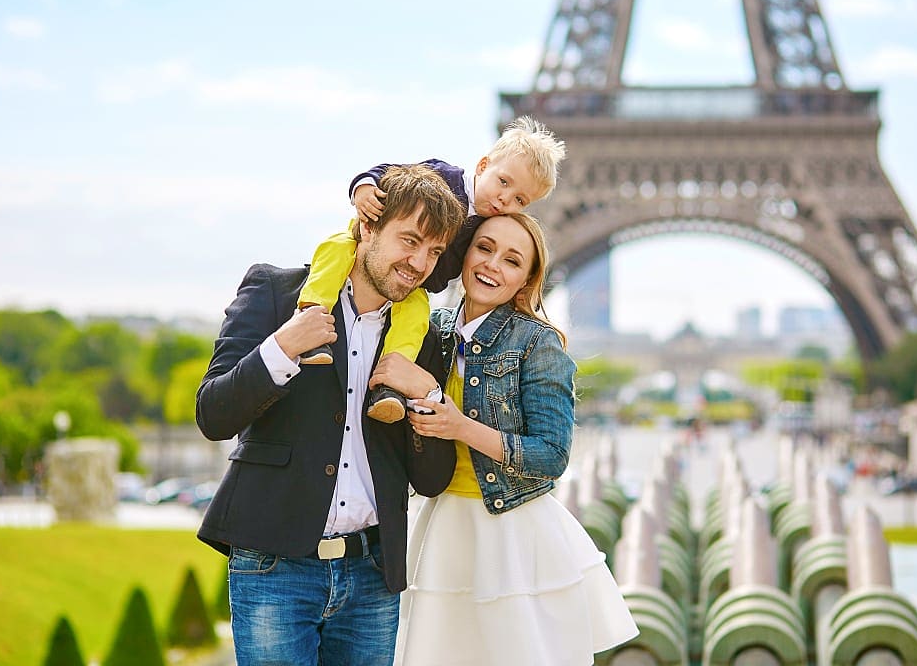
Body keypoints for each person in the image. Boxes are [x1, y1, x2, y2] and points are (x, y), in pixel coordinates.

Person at [195, 164, 466, 666]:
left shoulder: (424, 338)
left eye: (433, 252)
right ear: (367, 226)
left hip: (371, 576)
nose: (419, 263)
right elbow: (213, 414)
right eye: (409, 241)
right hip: (275, 566)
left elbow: (430, 478)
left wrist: (428, 395)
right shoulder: (278, 294)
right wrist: (282, 348)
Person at [370, 213, 639, 666]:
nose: (493, 264)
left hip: (512, 531)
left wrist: (460, 427)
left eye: (512, 260)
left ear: (526, 280)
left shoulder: (538, 343)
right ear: (465, 251)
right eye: (485, 248)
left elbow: (552, 456)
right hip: (442, 526)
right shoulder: (427, 329)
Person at [296, 115, 566, 424]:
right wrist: (364, 187)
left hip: (414, 285)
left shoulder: (489, 229)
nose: (506, 198)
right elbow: (393, 175)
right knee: (335, 250)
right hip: (360, 240)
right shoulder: (444, 177)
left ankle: (388, 384)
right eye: (503, 182)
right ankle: (311, 316)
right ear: (482, 166)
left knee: (414, 319)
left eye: (520, 199)